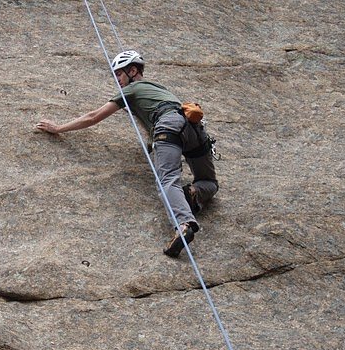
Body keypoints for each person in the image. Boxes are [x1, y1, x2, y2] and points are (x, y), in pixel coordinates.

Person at [35, 50, 218, 257]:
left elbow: (93, 117)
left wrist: (58, 128)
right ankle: (191, 195)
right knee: (210, 183)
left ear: (132, 71)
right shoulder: (158, 90)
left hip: (168, 127)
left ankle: (183, 224)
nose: (118, 81)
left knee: (167, 180)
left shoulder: (132, 89)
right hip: (194, 128)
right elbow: (147, 122)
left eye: (119, 75)